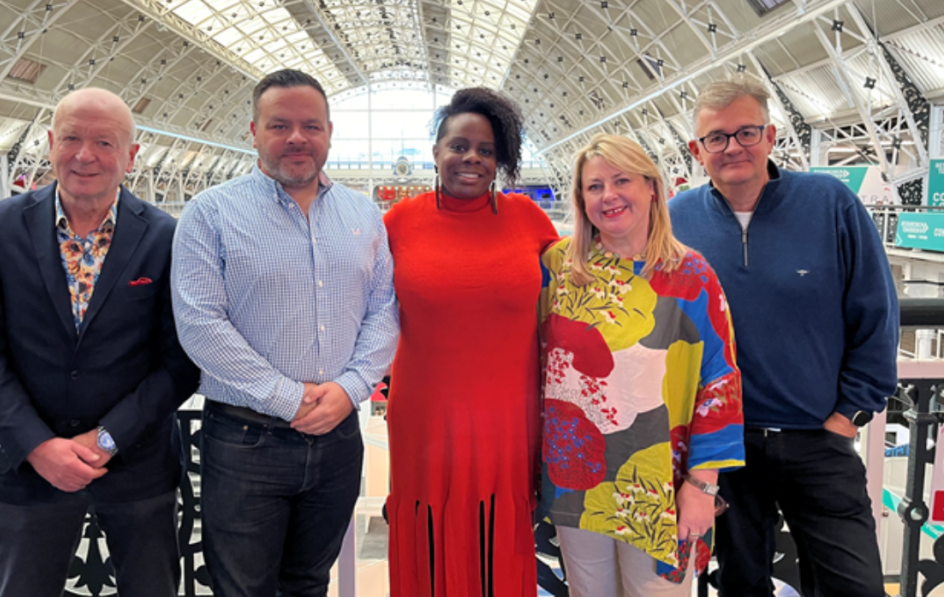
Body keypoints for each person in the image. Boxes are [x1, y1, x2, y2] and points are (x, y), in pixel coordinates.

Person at [0, 87, 200, 597]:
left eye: (104, 142)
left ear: (131, 156)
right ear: (49, 143)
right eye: (71, 138)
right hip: (28, 469)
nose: (84, 155)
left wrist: (107, 438)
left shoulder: (166, 237)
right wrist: (40, 447)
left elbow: (180, 362)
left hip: (136, 469)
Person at [170, 68, 398, 597]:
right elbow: (200, 323)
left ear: (329, 132)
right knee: (242, 589)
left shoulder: (363, 214)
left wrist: (349, 389)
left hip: (339, 437)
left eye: (310, 125)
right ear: (253, 131)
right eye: (280, 125)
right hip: (246, 440)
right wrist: (288, 398)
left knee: (308, 585)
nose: (297, 138)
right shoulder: (211, 212)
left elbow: (384, 309)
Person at [668, 77, 899, 597]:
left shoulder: (830, 204)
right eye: (717, 137)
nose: (734, 147)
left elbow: (876, 314)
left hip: (818, 440)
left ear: (771, 136)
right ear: (696, 151)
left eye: (747, 132)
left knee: (855, 585)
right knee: (741, 585)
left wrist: (847, 417)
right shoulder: (676, 221)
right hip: (724, 449)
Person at [539, 133, 744, 597]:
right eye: (594, 186)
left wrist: (702, 486)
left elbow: (720, 382)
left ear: (652, 188)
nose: (608, 195)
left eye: (621, 180)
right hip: (576, 485)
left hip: (662, 490)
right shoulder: (558, 269)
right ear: (580, 199)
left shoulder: (691, 275)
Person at [383, 87, 559, 597]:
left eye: (485, 150)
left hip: (508, 420)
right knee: (430, 540)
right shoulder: (397, 224)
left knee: (498, 543)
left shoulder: (530, 221)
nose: (472, 159)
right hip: (426, 421)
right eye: (459, 146)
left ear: (499, 160)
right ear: (436, 151)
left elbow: (582, 300)